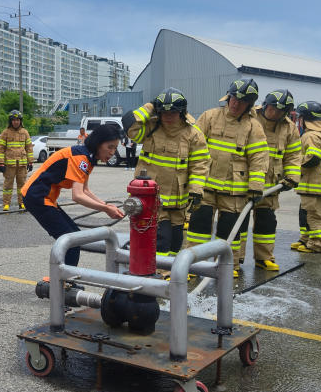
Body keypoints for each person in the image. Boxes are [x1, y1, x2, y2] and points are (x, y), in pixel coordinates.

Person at [190, 78, 269, 277]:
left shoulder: (254, 126)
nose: (236, 103)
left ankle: (227, 266)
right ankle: (193, 265)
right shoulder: (209, 116)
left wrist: (256, 186)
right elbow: (193, 146)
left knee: (229, 230)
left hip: (234, 189)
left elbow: (259, 158)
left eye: (242, 101)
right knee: (198, 227)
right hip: (205, 185)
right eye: (234, 98)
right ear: (228, 97)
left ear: (249, 104)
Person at [122, 87, 209, 257]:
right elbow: (130, 127)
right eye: (164, 112)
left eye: (173, 113)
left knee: (176, 240)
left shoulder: (193, 134)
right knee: (161, 238)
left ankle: (171, 269)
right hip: (151, 197)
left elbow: (200, 165)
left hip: (178, 199)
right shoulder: (150, 128)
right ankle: (159, 270)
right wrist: (150, 107)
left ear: (182, 112)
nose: (169, 116)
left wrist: (196, 192)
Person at [22, 124, 125, 267]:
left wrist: (106, 205)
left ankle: (63, 277)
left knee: (76, 237)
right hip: (37, 197)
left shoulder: (89, 158)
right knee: (71, 242)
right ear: (98, 143)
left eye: (115, 148)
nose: (112, 152)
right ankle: (62, 278)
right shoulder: (81, 157)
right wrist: (105, 209)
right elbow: (77, 195)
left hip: (44, 197)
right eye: (110, 147)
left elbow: (85, 190)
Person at [251, 90, 301, 271]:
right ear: (265, 104)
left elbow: (293, 155)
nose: (274, 113)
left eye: (280, 111)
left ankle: (264, 258)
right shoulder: (250, 117)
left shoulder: (289, 128)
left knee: (267, 221)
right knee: (236, 222)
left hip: (270, 184)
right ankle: (233, 261)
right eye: (272, 108)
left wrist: (293, 176)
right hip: (243, 182)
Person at [292, 101, 321, 253]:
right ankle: (306, 239)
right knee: (307, 212)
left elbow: (313, 158)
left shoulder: (311, 135)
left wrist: (294, 165)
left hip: (313, 183)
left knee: (314, 215)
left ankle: (318, 245)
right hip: (315, 183)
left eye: (300, 117)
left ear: (305, 118)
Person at [0, 110, 33, 211]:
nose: (16, 122)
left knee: (22, 185)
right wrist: (1, 163)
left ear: (20, 121)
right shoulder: (5, 133)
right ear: (11, 121)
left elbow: (29, 148)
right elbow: (0, 148)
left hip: (22, 164)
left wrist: (30, 162)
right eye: (14, 120)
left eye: (17, 120)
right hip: (9, 165)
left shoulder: (25, 132)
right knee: (8, 185)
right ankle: (6, 204)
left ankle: (22, 203)